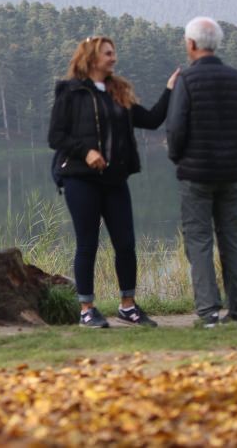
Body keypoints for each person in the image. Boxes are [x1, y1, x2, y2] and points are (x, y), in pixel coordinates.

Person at [48, 36, 179, 328]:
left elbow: (152, 119)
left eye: (114, 53)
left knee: (126, 244)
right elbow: (56, 137)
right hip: (80, 180)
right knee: (87, 245)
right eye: (108, 54)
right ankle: (86, 309)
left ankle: (127, 306)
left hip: (115, 180)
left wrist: (170, 89)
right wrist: (86, 152)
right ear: (92, 58)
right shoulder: (70, 93)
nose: (113, 58)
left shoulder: (117, 92)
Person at [166, 17, 237, 328]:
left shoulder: (187, 81)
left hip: (196, 175)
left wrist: (177, 156)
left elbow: (176, 129)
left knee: (199, 240)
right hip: (232, 173)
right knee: (233, 238)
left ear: (191, 44)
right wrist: (234, 152)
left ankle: (208, 313)